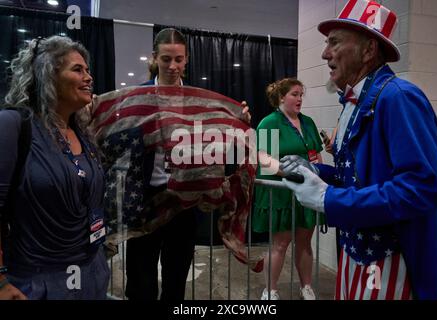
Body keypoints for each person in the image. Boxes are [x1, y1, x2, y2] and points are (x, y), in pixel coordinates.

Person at [281, 0, 437, 300]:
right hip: (355, 253)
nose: (324, 53)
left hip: (390, 261)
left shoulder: (399, 98)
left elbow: (421, 188)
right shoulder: (353, 103)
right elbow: (358, 177)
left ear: (368, 50)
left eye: (334, 42)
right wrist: (315, 171)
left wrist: (329, 198)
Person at [125, 28, 251, 300]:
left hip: (184, 203)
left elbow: (217, 141)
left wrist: (237, 121)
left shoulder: (200, 101)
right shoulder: (137, 97)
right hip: (145, 199)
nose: (173, 66)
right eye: (166, 59)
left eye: (179, 59)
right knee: (140, 279)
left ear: (187, 60)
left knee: (176, 277)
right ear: (154, 58)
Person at [0, 36, 109, 300]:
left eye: (88, 70)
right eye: (77, 69)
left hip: (93, 274)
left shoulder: (82, 133)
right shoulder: (12, 125)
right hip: (37, 282)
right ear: (47, 75)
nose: (89, 77)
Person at [253, 78, 325, 300]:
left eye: (301, 94)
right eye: (295, 94)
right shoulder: (269, 122)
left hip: (307, 191)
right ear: (281, 97)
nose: (299, 99)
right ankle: (271, 290)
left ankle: (306, 287)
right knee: (280, 244)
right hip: (281, 191)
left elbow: (315, 153)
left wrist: (318, 172)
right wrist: (288, 174)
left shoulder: (309, 122)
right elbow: (264, 158)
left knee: (304, 242)